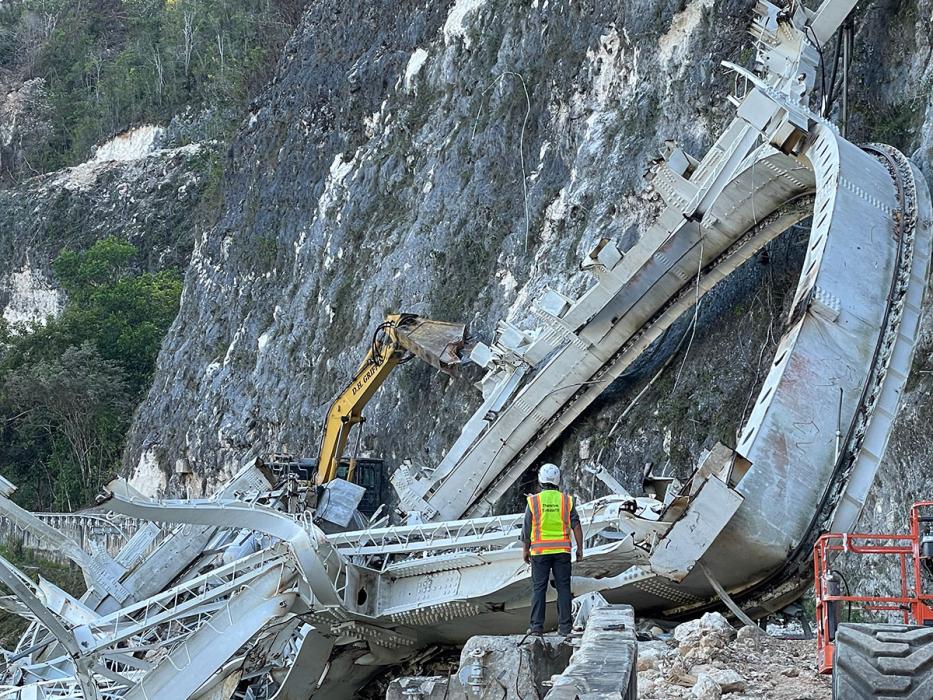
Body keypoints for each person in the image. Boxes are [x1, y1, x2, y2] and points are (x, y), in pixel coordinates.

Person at [521, 462, 584, 636]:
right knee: (564, 588)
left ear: (541, 479)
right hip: (562, 552)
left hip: (540, 553)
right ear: (557, 480)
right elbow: (576, 526)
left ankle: (536, 628)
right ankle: (565, 628)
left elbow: (526, 528)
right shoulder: (566, 500)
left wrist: (525, 550)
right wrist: (580, 549)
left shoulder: (533, 501)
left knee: (539, 589)